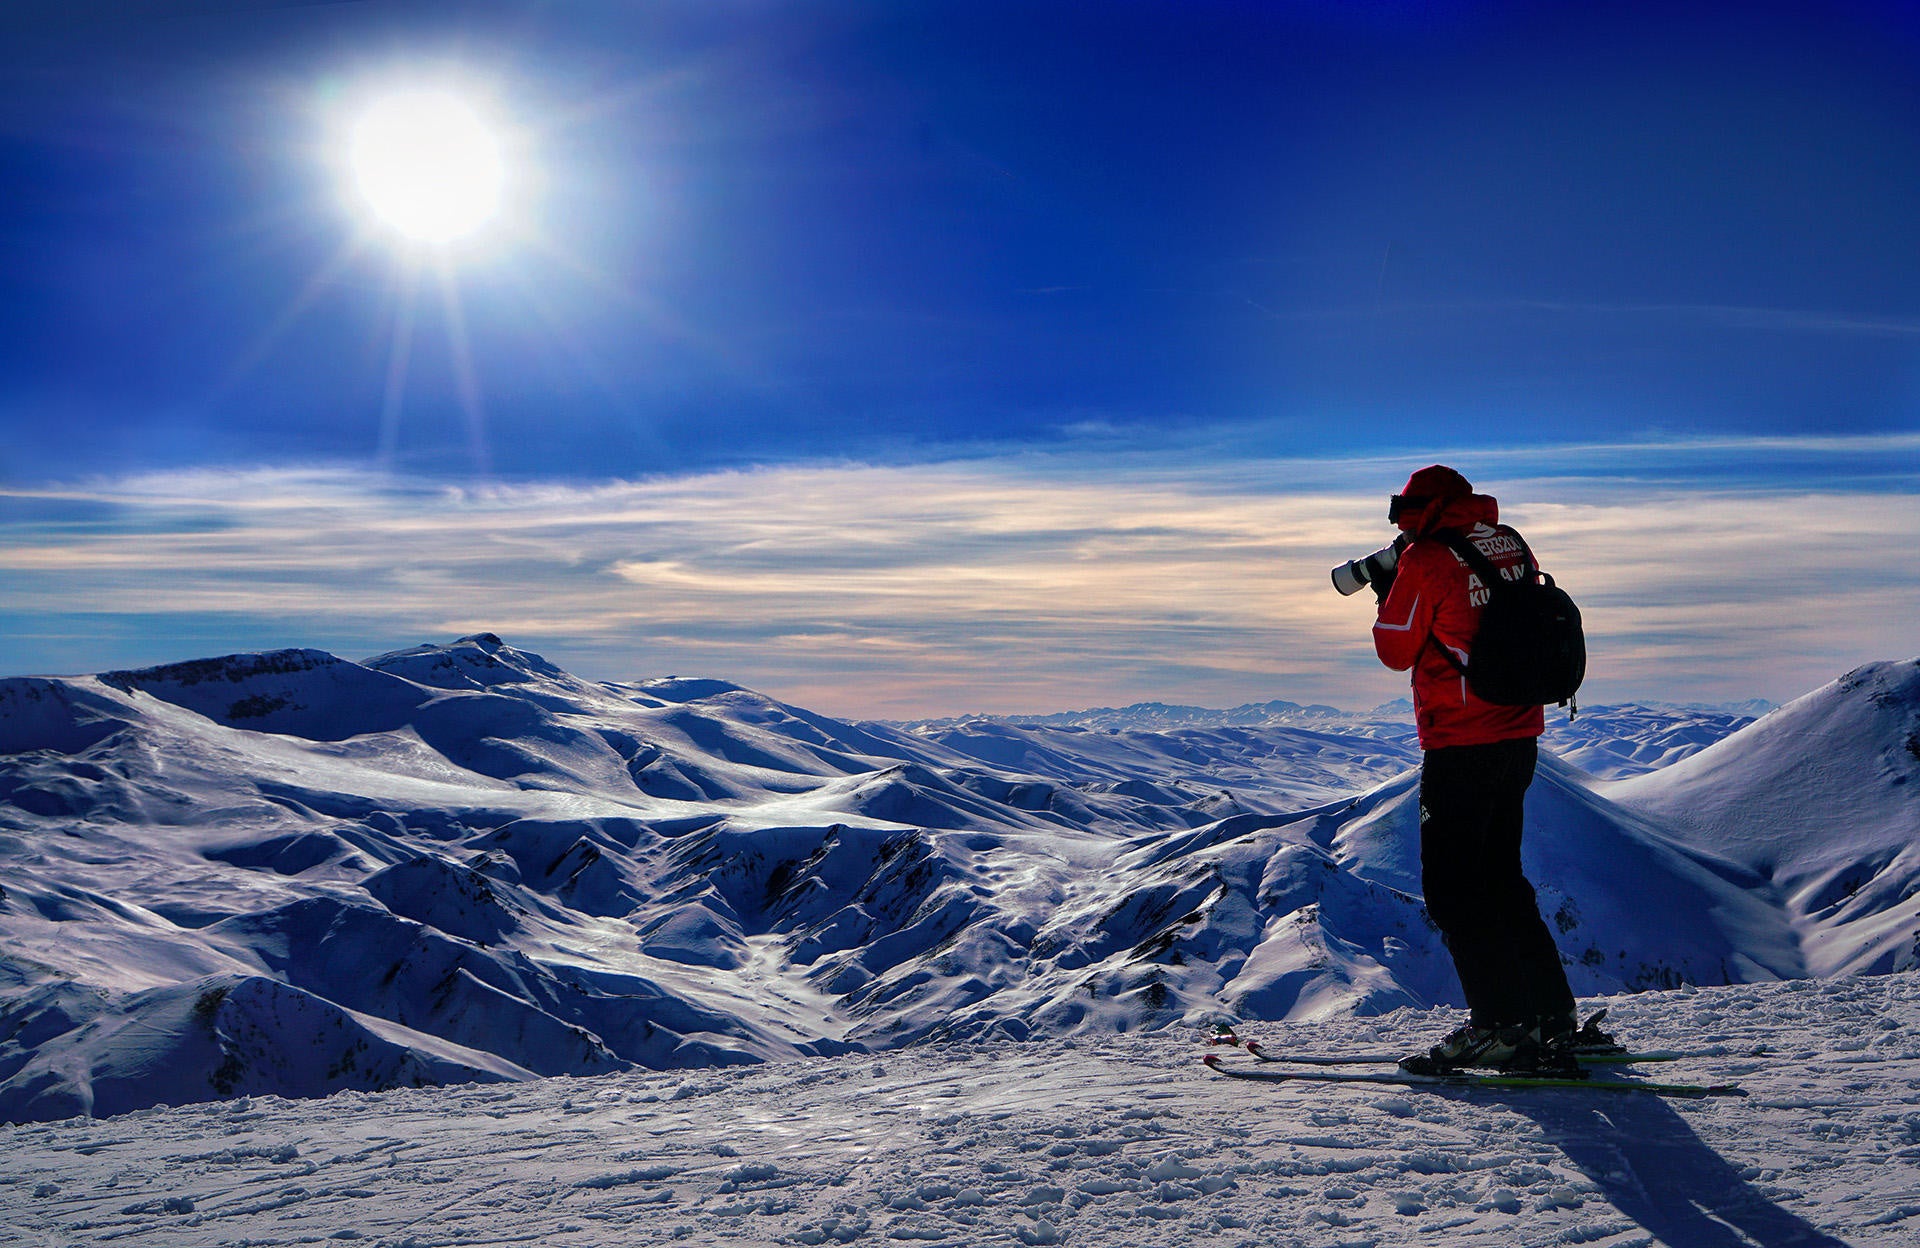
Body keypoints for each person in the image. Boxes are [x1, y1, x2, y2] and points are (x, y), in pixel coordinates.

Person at [1367, 464, 1606, 1075]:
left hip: (1461, 740)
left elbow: (1395, 649)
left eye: (1402, 512)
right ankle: (1551, 1019)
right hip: (1518, 735)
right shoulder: (1508, 544)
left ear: (1419, 509)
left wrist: (1387, 588)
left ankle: (1500, 1027)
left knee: (1453, 889)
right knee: (1502, 878)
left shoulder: (1427, 558)